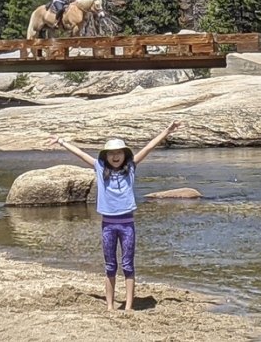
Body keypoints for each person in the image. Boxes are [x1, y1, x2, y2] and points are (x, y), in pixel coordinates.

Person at [51, 121, 182, 312]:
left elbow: (148, 147)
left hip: (127, 224)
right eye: (111, 153)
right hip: (108, 225)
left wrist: (167, 131)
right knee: (110, 265)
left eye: (119, 153)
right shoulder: (99, 167)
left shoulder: (131, 168)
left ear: (124, 154)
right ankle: (110, 307)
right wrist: (61, 141)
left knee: (128, 265)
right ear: (106, 156)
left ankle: (128, 307)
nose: (115, 156)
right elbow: (80, 154)